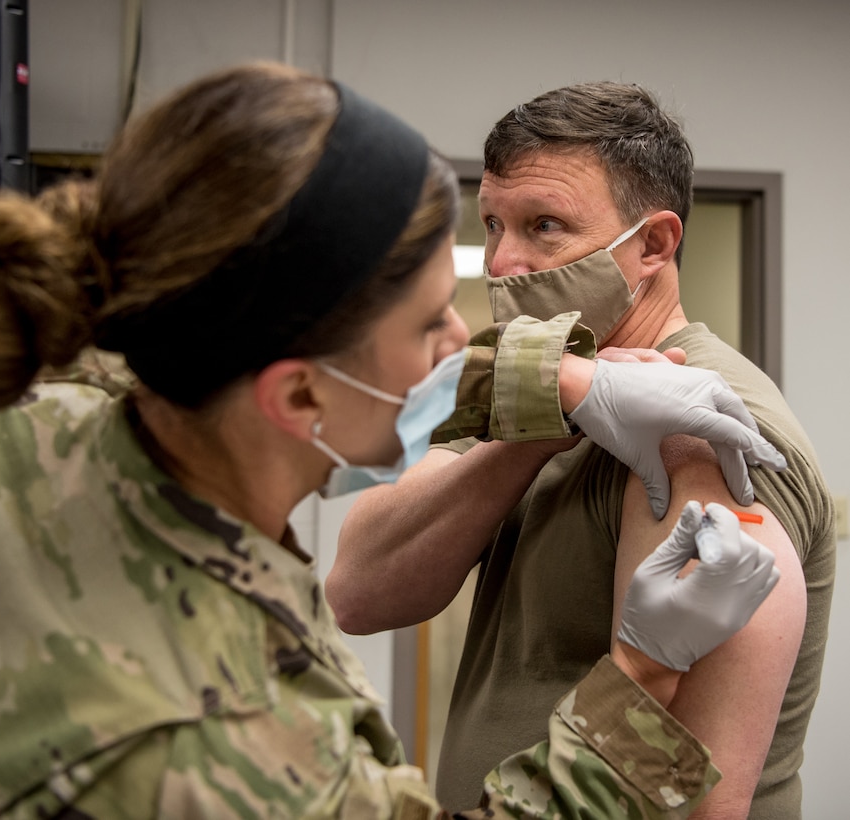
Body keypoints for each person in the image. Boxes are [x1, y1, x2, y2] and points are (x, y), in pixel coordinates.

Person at [0, 64, 781, 819]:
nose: (470, 339)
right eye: (426, 329)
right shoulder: (209, 750)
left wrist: (560, 385)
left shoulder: (4, 446)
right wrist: (644, 667)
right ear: (293, 393)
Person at [328, 81, 836, 819]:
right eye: (493, 225)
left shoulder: (700, 432)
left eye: (543, 226)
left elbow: (696, 805)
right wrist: (550, 417)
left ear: (654, 245)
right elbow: (358, 589)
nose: (503, 261)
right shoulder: (538, 399)